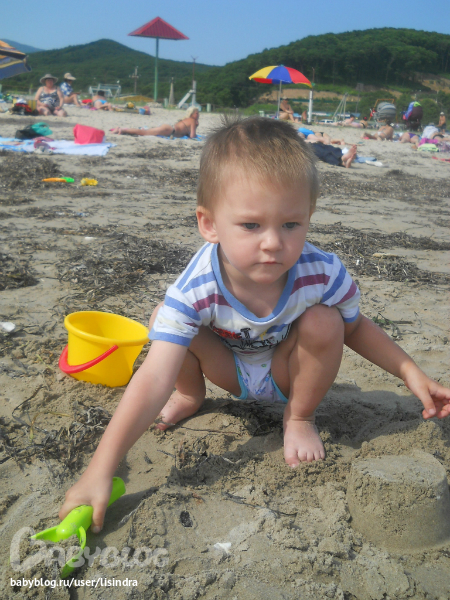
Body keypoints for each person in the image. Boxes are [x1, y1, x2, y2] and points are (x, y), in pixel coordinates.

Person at [59, 117, 450, 532]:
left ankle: (298, 419)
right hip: (226, 369)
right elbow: (154, 375)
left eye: (291, 224)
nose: (273, 243)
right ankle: (190, 395)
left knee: (326, 320)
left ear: (309, 216)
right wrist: (100, 470)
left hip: (288, 373)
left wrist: (411, 373)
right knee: (164, 321)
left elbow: (355, 329)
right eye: (251, 225)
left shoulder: (321, 272)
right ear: (209, 224)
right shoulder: (196, 286)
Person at [111, 106, 200, 138]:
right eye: (196, 113)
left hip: (168, 128)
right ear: (192, 113)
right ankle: (122, 130)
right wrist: (195, 127)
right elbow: (192, 136)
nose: (198, 115)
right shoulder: (192, 121)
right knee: (144, 133)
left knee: (145, 132)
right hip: (169, 130)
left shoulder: (187, 120)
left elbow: (185, 132)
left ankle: (122, 129)